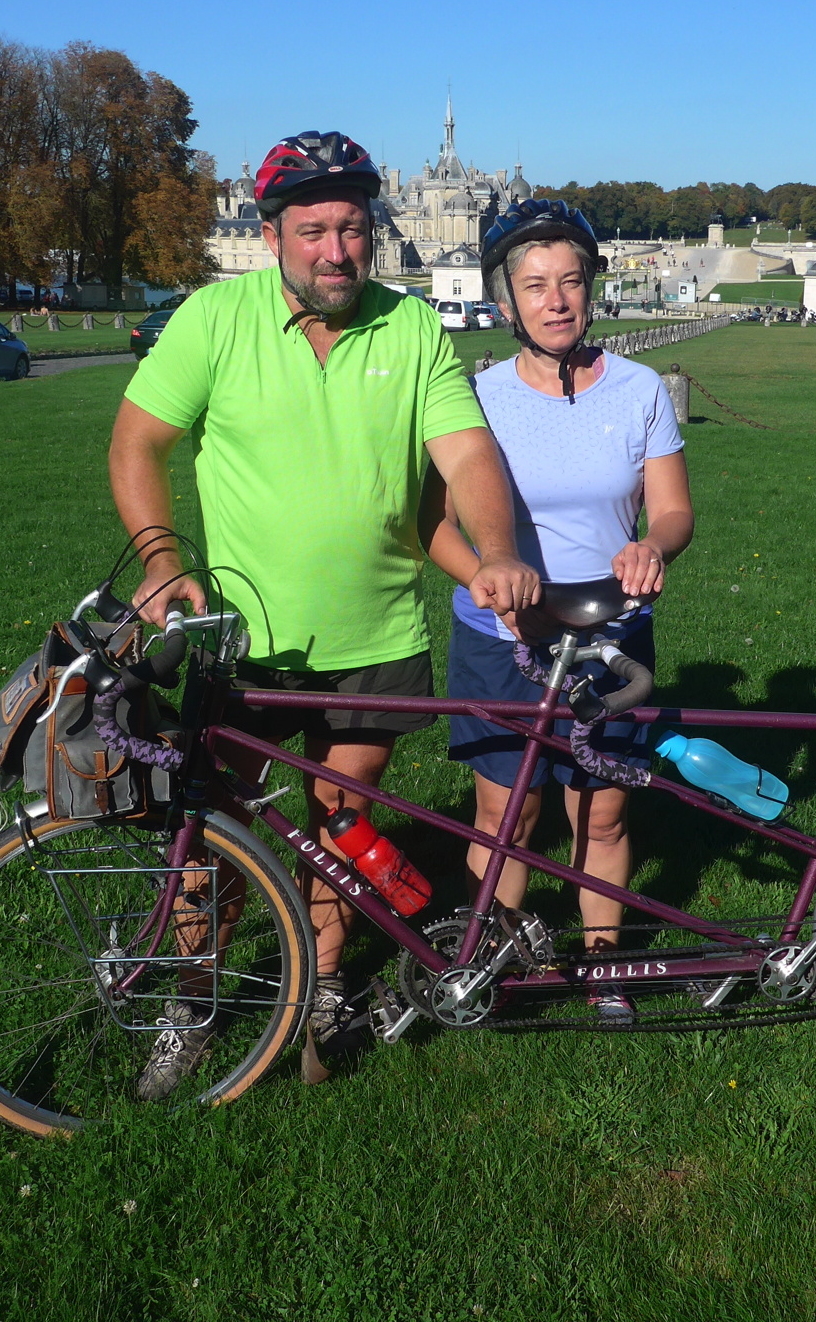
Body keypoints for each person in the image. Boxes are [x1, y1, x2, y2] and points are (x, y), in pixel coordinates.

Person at [108, 130, 540, 1093]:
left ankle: (328, 983)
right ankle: (196, 998)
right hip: (240, 647)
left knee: (341, 831)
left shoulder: (413, 327)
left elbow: (466, 454)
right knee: (209, 840)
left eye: (352, 228)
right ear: (272, 236)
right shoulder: (215, 320)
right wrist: (157, 560)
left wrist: (498, 550)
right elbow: (138, 442)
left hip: (376, 639)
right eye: (314, 231)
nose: (337, 251)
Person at [422, 200, 694, 1024]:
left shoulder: (640, 389)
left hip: (610, 633)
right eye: (535, 285)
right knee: (507, 807)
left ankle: (603, 964)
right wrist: (487, 576)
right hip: (502, 639)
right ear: (506, 301)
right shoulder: (474, 398)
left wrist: (655, 546)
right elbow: (429, 525)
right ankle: (492, 961)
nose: (557, 300)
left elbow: (675, 510)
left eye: (571, 281)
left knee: (601, 809)